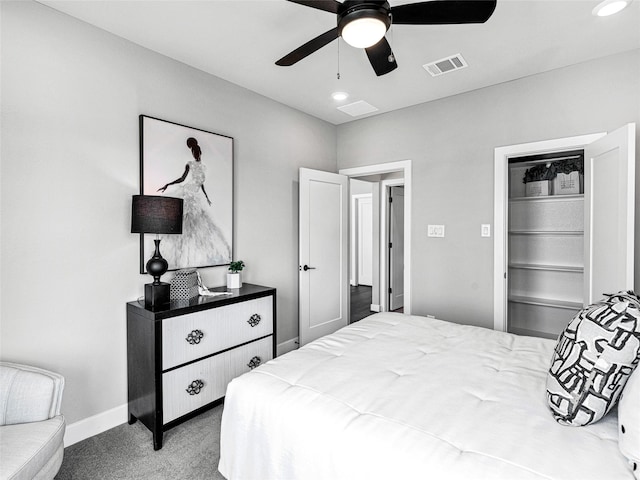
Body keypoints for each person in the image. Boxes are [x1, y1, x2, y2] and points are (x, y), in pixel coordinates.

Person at [157, 137, 231, 269]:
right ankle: (182, 254)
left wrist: (207, 196)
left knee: (197, 223)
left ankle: (190, 255)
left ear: (199, 153)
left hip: (195, 194)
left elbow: (201, 184)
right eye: (194, 152)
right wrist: (168, 184)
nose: (196, 154)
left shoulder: (203, 167)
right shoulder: (190, 164)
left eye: (197, 152)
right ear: (193, 152)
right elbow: (182, 179)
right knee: (187, 221)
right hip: (188, 192)